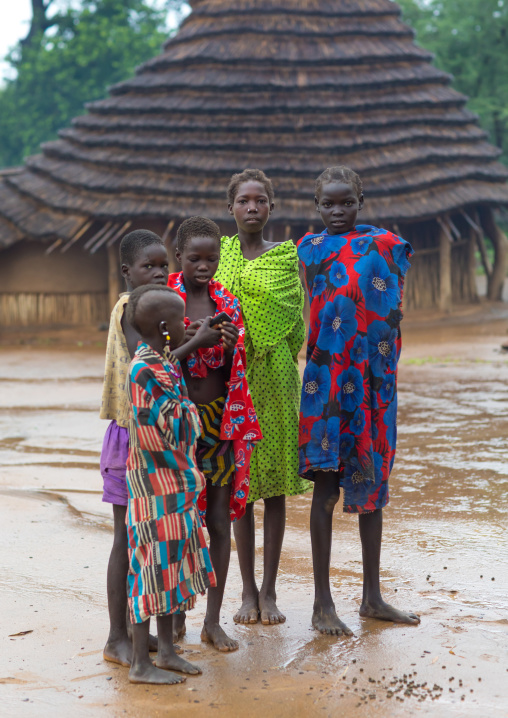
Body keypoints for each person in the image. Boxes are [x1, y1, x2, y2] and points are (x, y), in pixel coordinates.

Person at [297, 165, 421, 636]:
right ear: (316, 205)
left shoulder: (385, 247)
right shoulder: (307, 251)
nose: (336, 211)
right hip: (325, 383)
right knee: (325, 490)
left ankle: (372, 596)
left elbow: (389, 313)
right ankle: (321, 603)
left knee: (372, 491)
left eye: (345, 202)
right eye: (327, 203)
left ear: (360, 200)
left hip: (371, 385)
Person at [215, 169, 312, 626]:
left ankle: (270, 591)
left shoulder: (286, 258)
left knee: (273, 487)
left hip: (275, 381)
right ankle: (247, 591)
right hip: (231, 381)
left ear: (271, 207)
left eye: (260, 201)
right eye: (243, 201)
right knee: (241, 488)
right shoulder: (220, 256)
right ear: (230, 208)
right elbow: (209, 309)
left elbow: (295, 322)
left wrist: (264, 345)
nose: (252, 208)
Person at [167, 216, 262, 652]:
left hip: (221, 420)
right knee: (181, 521)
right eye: (194, 258)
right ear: (179, 258)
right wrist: (188, 339)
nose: (203, 266)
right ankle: (177, 615)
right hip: (178, 426)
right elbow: (152, 355)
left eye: (211, 258)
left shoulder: (227, 302)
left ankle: (212, 619)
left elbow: (235, 366)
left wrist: (225, 345)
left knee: (219, 520)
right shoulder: (166, 301)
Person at [124, 284, 216, 684]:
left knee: (171, 568)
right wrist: (194, 412)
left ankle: (166, 652)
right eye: (181, 321)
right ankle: (139, 665)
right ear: (165, 327)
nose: (187, 325)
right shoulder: (144, 369)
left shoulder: (161, 361)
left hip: (175, 485)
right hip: (153, 490)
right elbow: (177, 425)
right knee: (149, 571)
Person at [100, 229, 169, 666]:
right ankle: (116, 637)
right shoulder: (131, 309)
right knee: (126, 537)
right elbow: (148, 359)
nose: (160, 273)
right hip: (129, 437)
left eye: (164, 265)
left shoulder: (150, 308)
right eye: (149, 266)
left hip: (150, 436)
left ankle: (135, 631)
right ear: (127, 272)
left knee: (146, 538)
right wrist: (194, 341)